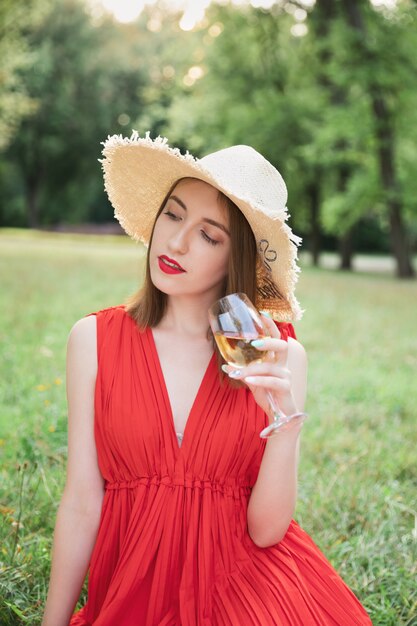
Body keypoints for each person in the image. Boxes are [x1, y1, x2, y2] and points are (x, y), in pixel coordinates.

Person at [42, 132, 372, 626]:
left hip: (248, 588)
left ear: (235, 257)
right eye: (173, 215)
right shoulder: (92, 339)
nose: (175, 241)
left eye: (209, 234)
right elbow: (83, 504)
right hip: (134, 592)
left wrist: (285, 426)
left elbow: (266, 532)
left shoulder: (279, 355)